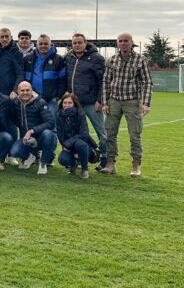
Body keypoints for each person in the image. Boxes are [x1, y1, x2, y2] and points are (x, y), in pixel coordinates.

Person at [101, 32, 152, 178]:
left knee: (134, 135)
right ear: (117, 43)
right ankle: (110, 163)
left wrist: (146, 103)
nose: (123, 43)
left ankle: (136, 165)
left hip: (132, 101)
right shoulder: (111, 60)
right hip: (114, 101)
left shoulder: (140, 59)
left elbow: (147, 82)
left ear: (131, 43)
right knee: (110, 133)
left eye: (126, 41)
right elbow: (105, 82)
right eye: (120, 41)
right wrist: (105, 102)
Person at [66, 33, 108, 169]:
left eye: (79, 42)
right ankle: (77, 157)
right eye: (74, 43)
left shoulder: (96, 58)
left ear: (85, 43)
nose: (77, 45)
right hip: (74, 103)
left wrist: (100, 100)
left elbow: (103, 81)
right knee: (75, 132)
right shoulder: (69, 57)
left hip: (91, 102)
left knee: (101, 132)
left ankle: (106, 159)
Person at [0, 81, 56, 175]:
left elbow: (50, 122)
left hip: (40, 137)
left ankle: (43, 163)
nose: (25, 93)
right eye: (22, 90)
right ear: (18, 91)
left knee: (48, 134)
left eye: (27, 90)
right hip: (25, 139)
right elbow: (2, 100)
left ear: (31, 90)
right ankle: (29, 156)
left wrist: (32, 131)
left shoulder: (40, 102)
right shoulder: (15, 103)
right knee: (14, 152)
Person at [23, 34, 66, 120]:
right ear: (37, 44)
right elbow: (23, 78)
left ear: (50, 44)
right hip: (32, 99)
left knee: (51, 126)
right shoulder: (27, 59)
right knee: (33, 126)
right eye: (41, 44)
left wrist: (57, 96)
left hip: (50, 101)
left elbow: (63, 80)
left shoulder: (58, 59)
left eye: (46, 44)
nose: (43, 46)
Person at [55, 93, 97, 179]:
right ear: (61, 104)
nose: (67, 105)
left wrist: (68, 144)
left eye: (70, 103)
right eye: (64, 102)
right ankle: (73, 164)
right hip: (69, 147)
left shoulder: (81, 114)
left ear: (74, 104)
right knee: (62, 160)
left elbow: (84, 134)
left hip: (84, 146)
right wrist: (72, 150)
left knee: (80, 144)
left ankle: (84, 169)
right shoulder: (59, 115)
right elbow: (60, 136)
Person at [0, 27, 24, 98]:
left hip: (10, 93)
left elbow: (20, 74)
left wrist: (15, 90)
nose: (4, 39)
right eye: (2, 37)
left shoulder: (16, 53)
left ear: (11, 38)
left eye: (6, 36)